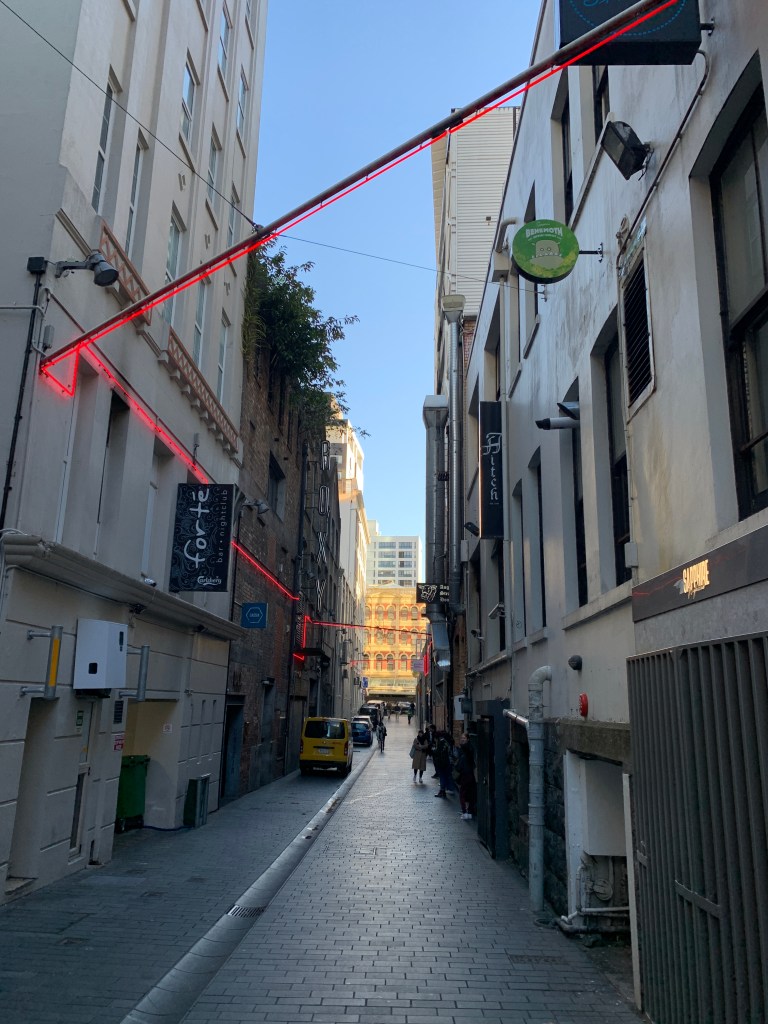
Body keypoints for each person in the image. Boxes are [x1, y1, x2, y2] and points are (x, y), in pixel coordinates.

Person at [454, 732, 477, 819]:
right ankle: (469, 812)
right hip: (470, 774)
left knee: (462, 794)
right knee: (470, 793)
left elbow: (460, 765)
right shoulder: (470, 748)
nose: (462, 739)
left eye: (464, 738)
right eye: (462, 738)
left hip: (465, 774)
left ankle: (464, 812)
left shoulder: (464, 750)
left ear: (467, 739)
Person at [432, 730, 453, 798]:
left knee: (442, 776)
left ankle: (442, 791)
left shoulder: (441, 742)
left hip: (442, 763)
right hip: (447, 762)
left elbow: (438, 752)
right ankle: (444, 791)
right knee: (445, 776)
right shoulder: (445, 741)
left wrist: (433, 750)